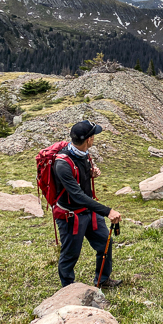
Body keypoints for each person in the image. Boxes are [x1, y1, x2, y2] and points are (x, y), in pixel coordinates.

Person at [52, 120, 122, 288]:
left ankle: (103, 280)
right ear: (89, 139)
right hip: (71, 215)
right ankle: (68, 289)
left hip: (88, 211)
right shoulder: (62, 164)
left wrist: (90, 173)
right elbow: (77, 196)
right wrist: (107, 211)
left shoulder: (83, 153)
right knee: (70, 254)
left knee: (104, 241)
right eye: (93, 135)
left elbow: (78, 181)